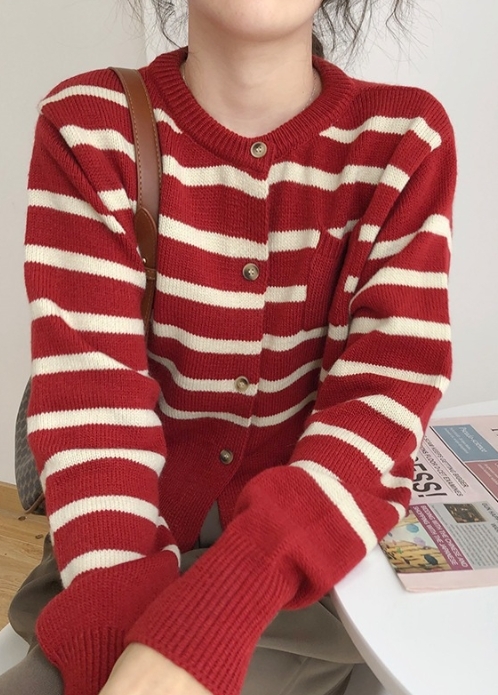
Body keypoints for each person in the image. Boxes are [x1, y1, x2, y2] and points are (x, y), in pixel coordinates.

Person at [2, 0, 457, 693]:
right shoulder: (88, 125)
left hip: (315, 585)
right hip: (116, 564)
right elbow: (94, 409)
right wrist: (111, 650)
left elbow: (379, 407)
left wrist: (213, 619)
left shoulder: (403, 140)